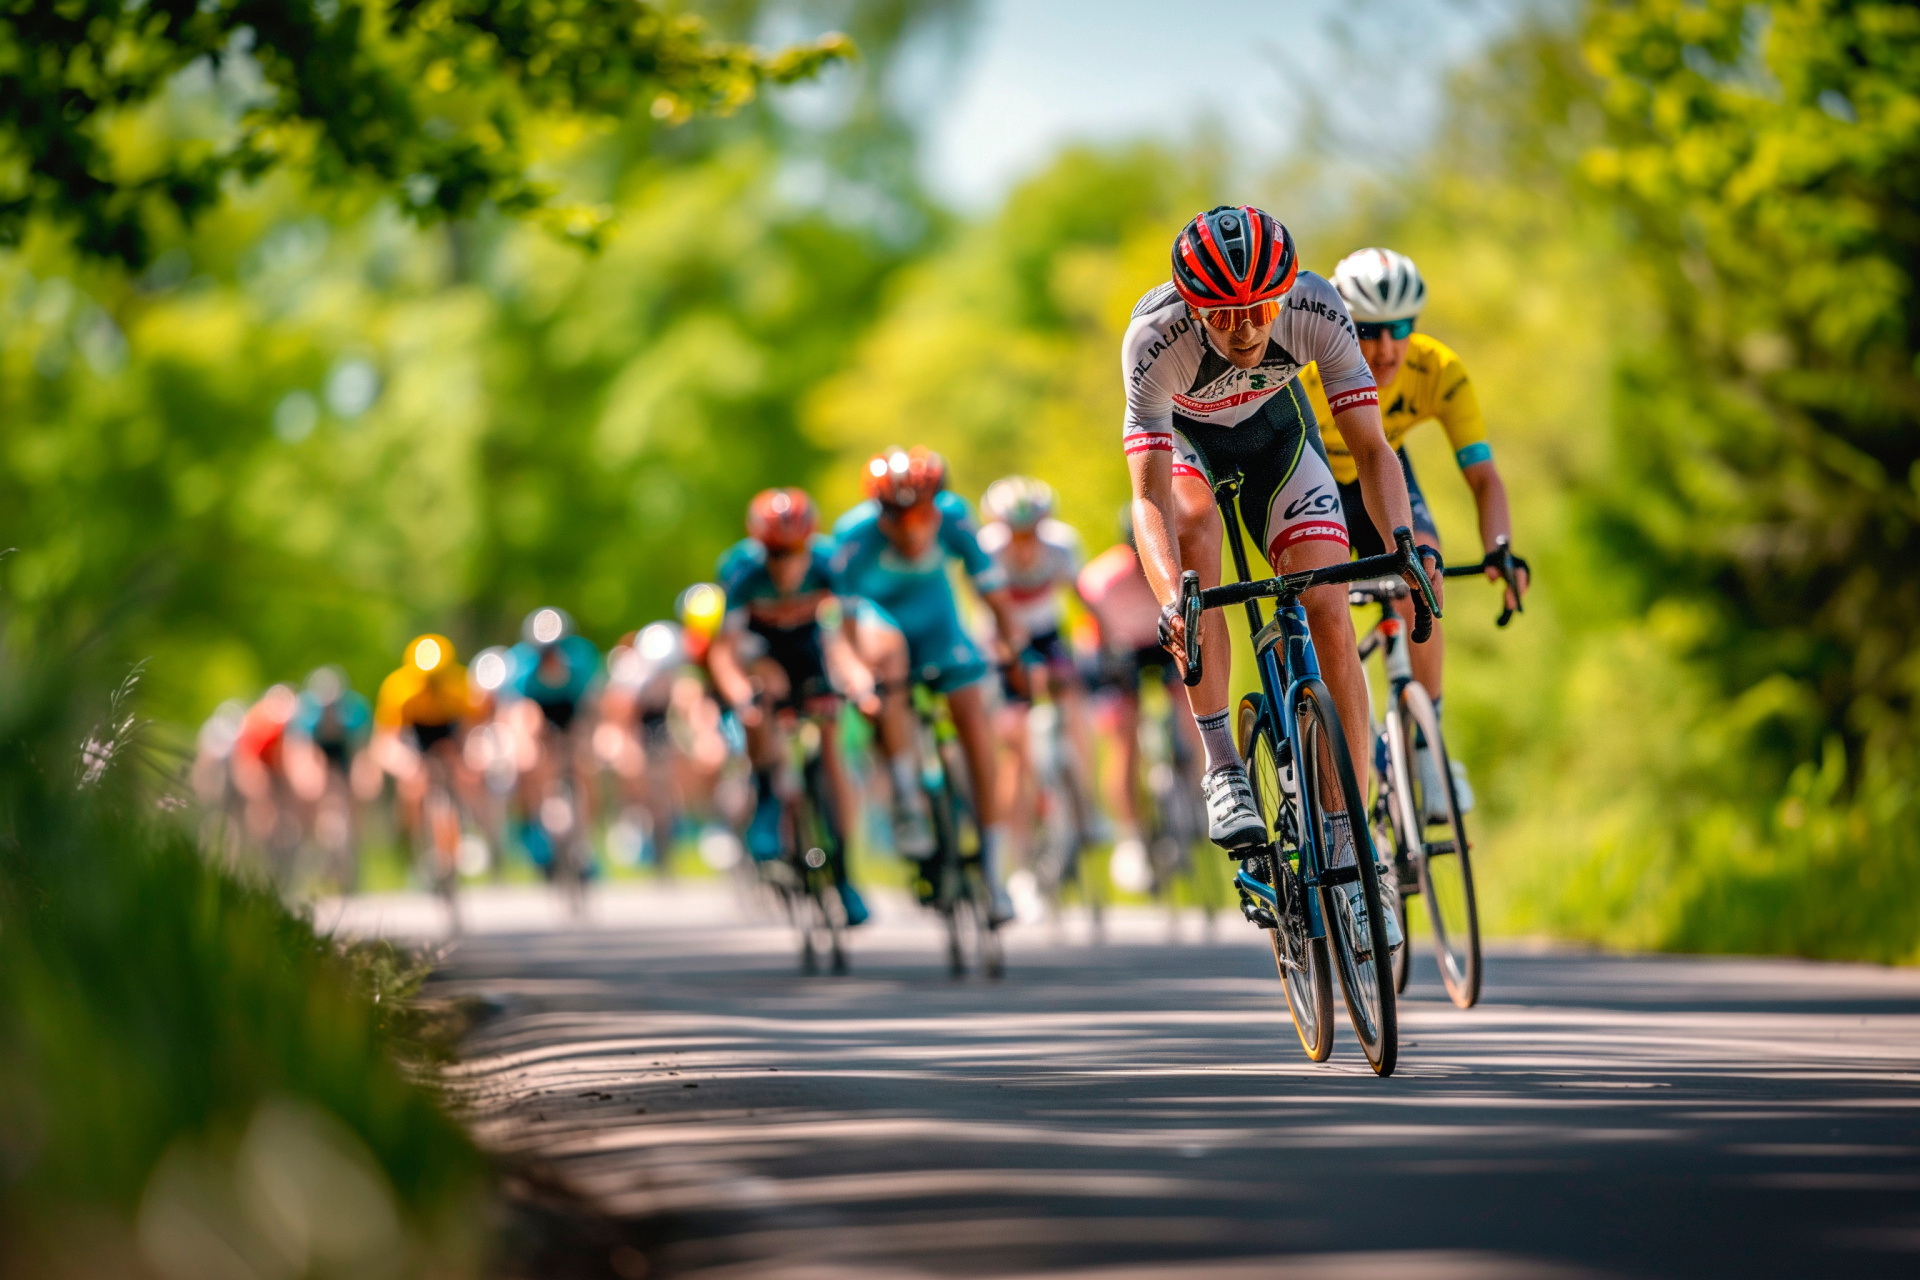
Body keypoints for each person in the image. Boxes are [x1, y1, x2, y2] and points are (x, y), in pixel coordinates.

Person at [1123, 205, 1432, 950]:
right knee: (1195, 536)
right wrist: (1172, 602)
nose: (1245, 328)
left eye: (1261, 308)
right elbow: (1148, 497)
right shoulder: (1154, 339)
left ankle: (1351, 851)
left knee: (1328, 604)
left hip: (1277, 440)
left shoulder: (1317, 306)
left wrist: (1403, 545)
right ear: (1193, 307)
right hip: (1192, 450)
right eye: (1224, 314)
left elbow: (1372, 449)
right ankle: (1222, 758)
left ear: (1286, 292)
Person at [1301, 247, 1529, 817]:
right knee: (1314, 608)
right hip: (1314, 477)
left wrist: (1499, 550)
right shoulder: (1307, 370)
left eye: (1400, 328)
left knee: (1420, 569)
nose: (1385, 348)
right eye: (1368, 330)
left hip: (1381, 475)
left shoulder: (1439, 370)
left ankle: (1427, 742)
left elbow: (1483, 476)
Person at [829, 446, 1025, 924]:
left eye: (921, 514)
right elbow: (842, 627)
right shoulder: (853, 536)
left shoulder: (956, 518)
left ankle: (995, 872)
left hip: (940, 627)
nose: (911, 528)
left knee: (974, 722)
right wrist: (858, 680)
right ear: (879, 513)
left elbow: (994, 595)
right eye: (897, 517)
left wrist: (1014, 653)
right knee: (887, 660)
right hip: (881, 628)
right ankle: (905, 797)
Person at [710, 488, 873, 927]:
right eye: (776, 554)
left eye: (794, 552)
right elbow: (723, 651)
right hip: (761, 651)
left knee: (832, 748)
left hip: (809, 648)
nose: (785, 564)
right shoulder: (741, 570)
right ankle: (766, 801)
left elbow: (848, 637)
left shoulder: (829, 563)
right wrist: (740, 695)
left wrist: (858, 681)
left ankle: (844, 875)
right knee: (762, 693)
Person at [976, 475, 1099, 876]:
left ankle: (1085, 805)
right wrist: (1011, 661)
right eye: (1016, 533)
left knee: (1075, 705)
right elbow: (991, 615)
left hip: (1047, 633)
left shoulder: (1061, 544)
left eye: (1032, 532)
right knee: (1016, 749)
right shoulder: (987, 552)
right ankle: (1020, 859)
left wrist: (1104, 641)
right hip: (1001, 638)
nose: (1026, 543)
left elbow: (1082, 600)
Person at [1078, 506, 1202, 878]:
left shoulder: (1173, 571)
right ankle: (1131, 836)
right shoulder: (1102, 579)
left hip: (1161, 644)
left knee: (1190, 705)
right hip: (1117, 651)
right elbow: (1092, 636)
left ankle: (1198, 794)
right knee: (1123, 736)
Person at [503, 608, 603, 876]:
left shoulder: (581, 661)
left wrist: (588, 741)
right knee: (529, 758)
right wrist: (524, 746)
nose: (549, 657)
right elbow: (516, 712)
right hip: (536, 713)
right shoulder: (521, 666)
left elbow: (592, 705)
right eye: (542, 652)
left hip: (571, 711)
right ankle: (537, 829)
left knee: (586, 766)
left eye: (555, 650)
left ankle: (585, 841)